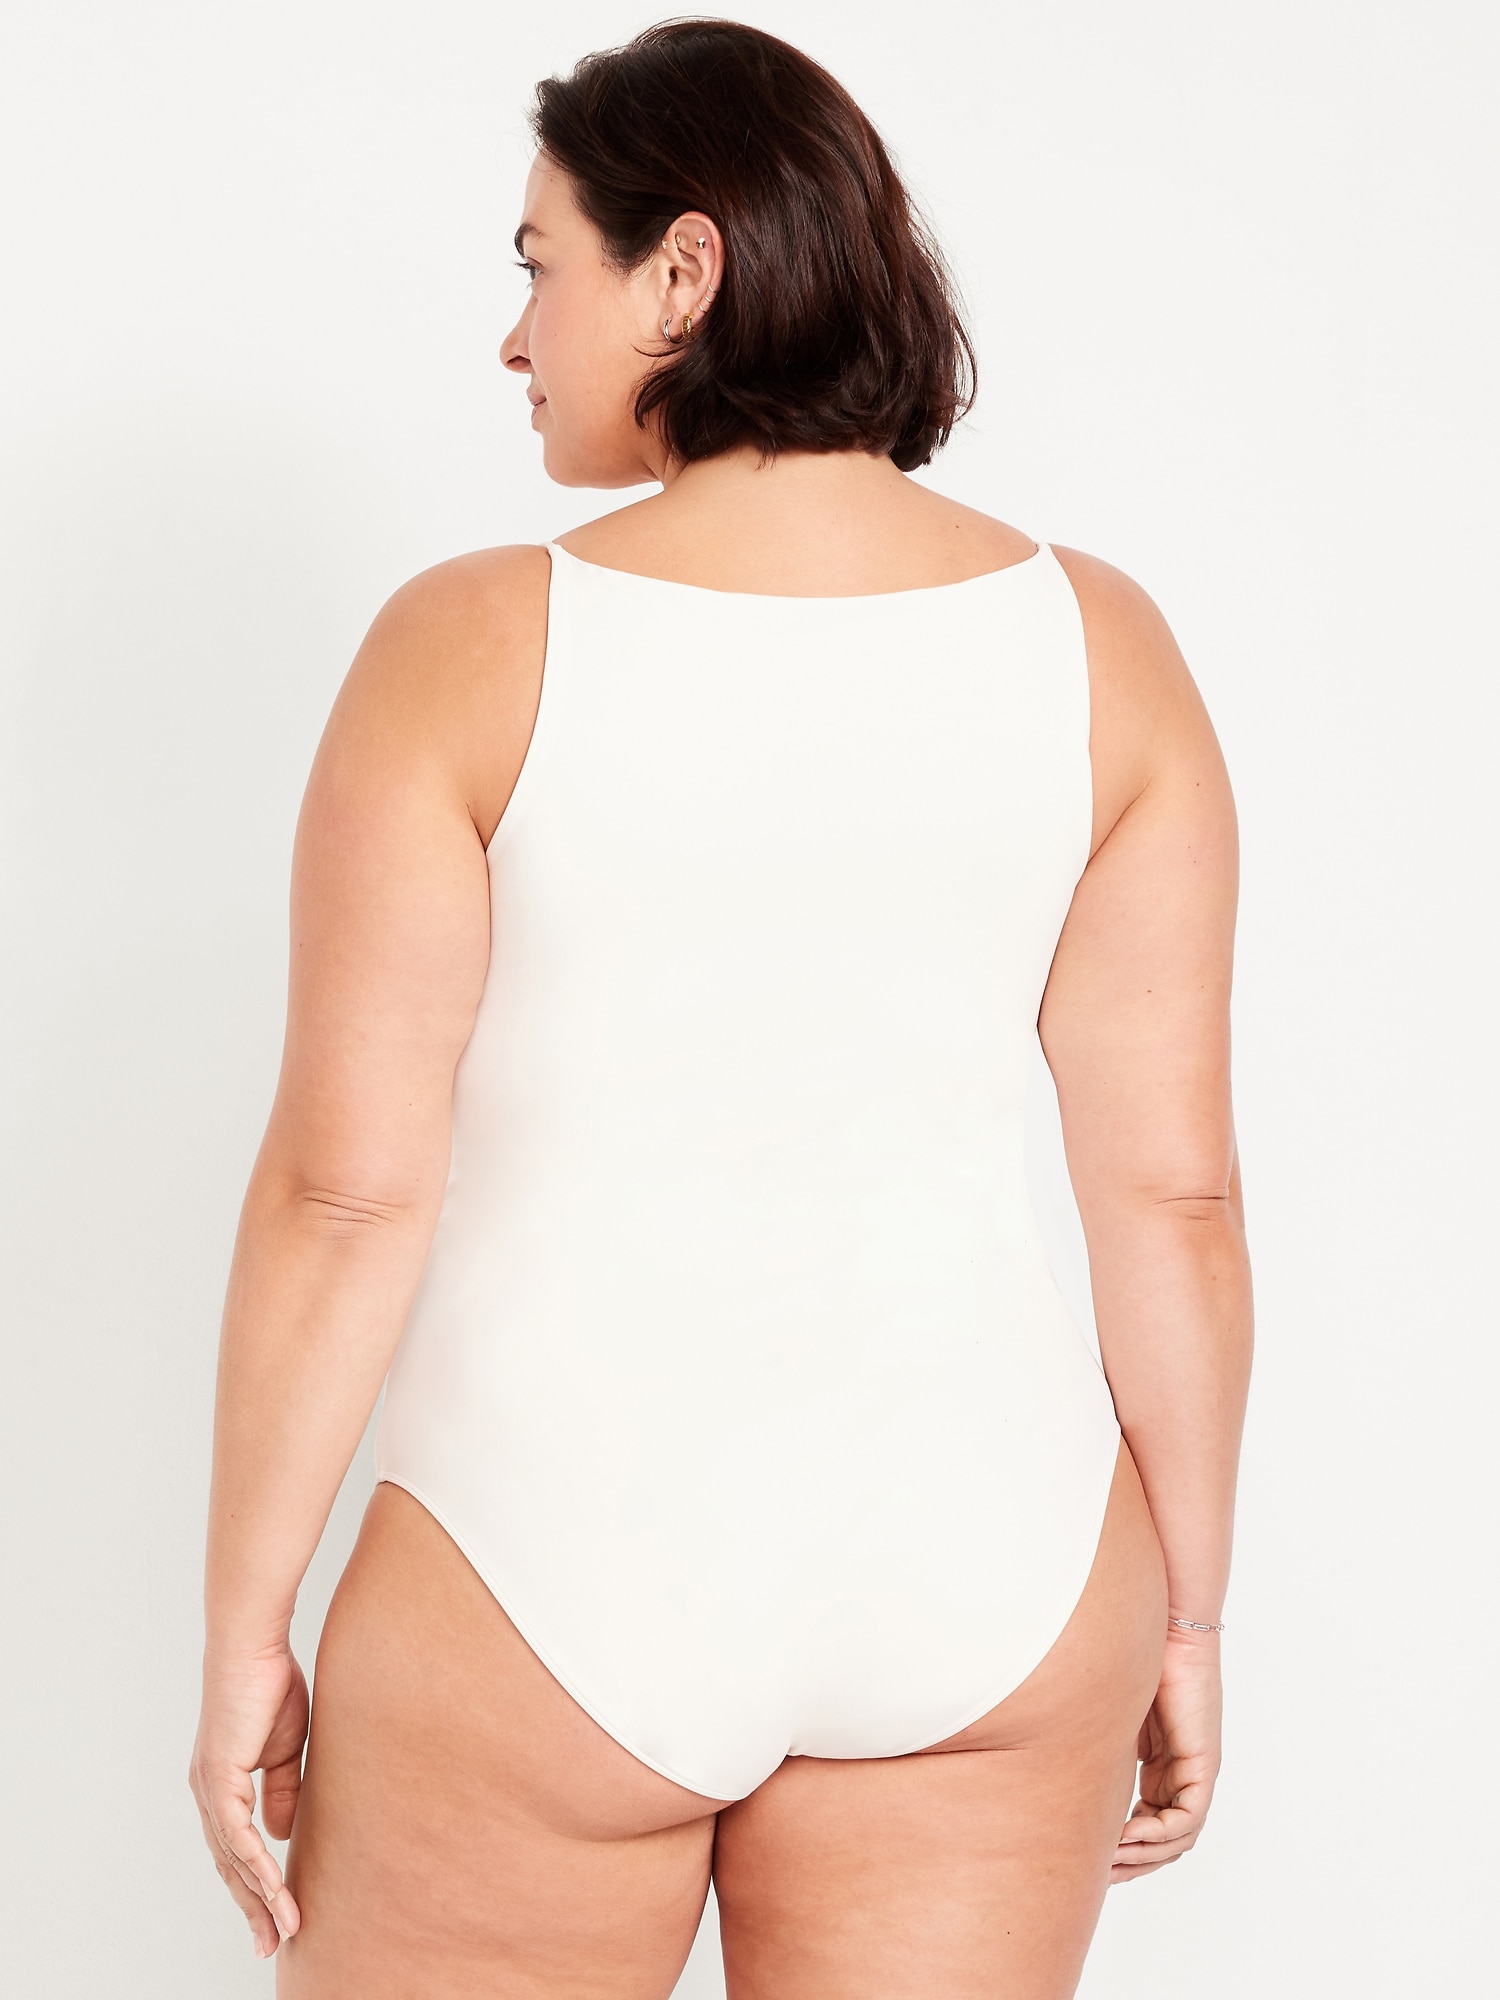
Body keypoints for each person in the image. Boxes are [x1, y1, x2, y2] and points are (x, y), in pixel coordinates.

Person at [189, 19, 1251, 1998]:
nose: (515, 338)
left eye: (539, 267)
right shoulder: (1101, 645)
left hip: (550, 1561)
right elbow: (1174, 1200)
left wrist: (245, 1623)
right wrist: (1186, 1614)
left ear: (683, 271)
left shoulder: (474, 642)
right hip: (996, 1564)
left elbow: (345, 1190)